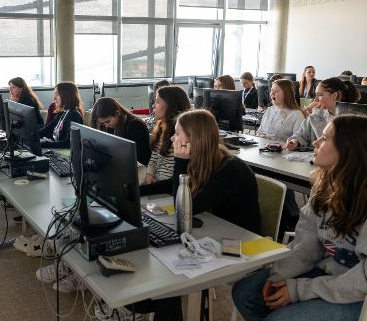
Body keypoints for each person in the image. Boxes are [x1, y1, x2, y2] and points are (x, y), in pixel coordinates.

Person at [232, 114, 367, 321]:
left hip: (360, 294)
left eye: (325, 138)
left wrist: (300, 290)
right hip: (329, 274)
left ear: (349, 151)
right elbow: (306, 245)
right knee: (247, 293)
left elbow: (362, 281)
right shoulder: (325, 188)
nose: (315, 142)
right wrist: (278, 276)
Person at [130, 109, 261, 320]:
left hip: (237, 243)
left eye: (177, 133)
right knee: (160, 257)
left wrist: (180, 163)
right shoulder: (205, 159)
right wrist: (134, 190)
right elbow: (174, 190)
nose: (172, 138)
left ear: (195, 139)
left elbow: (186, 207)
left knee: (169, 272)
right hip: (211, 230)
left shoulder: (231, 169)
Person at [285, 77, 360, 150]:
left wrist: (317, 117)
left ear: (334, 95)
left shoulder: (351, 120)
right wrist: (296, 142)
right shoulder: (319, 114)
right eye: (315, 95)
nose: (316, 99)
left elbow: (330, 146)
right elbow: (300, 135)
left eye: (320, 95)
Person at [142, 86, 191, 189]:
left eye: (157, 102)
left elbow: (174, 175)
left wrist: (154, 186)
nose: (153, 105)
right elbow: (154, 157)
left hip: (168, 187)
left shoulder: (180, 134)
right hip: (156, 181)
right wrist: (149, 175)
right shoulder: (161, 126)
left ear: (170, 105)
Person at [90, 97, 151, 166]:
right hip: (121, 166)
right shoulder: (113, 125)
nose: (106, 126)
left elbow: (141, 158)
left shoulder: (136, 126)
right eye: (103, 123)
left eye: (107, 121)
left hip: (138, 168)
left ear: (117, 113)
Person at [39, 82, 83, 149]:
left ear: (66, 96)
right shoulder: (62, 113)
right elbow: (46, 130)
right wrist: (31, 135)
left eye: (57, 94)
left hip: (65, 154)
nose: (54, 98)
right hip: (58, 150)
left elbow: (68, 143)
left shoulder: (74, 115)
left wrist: (45, 144)